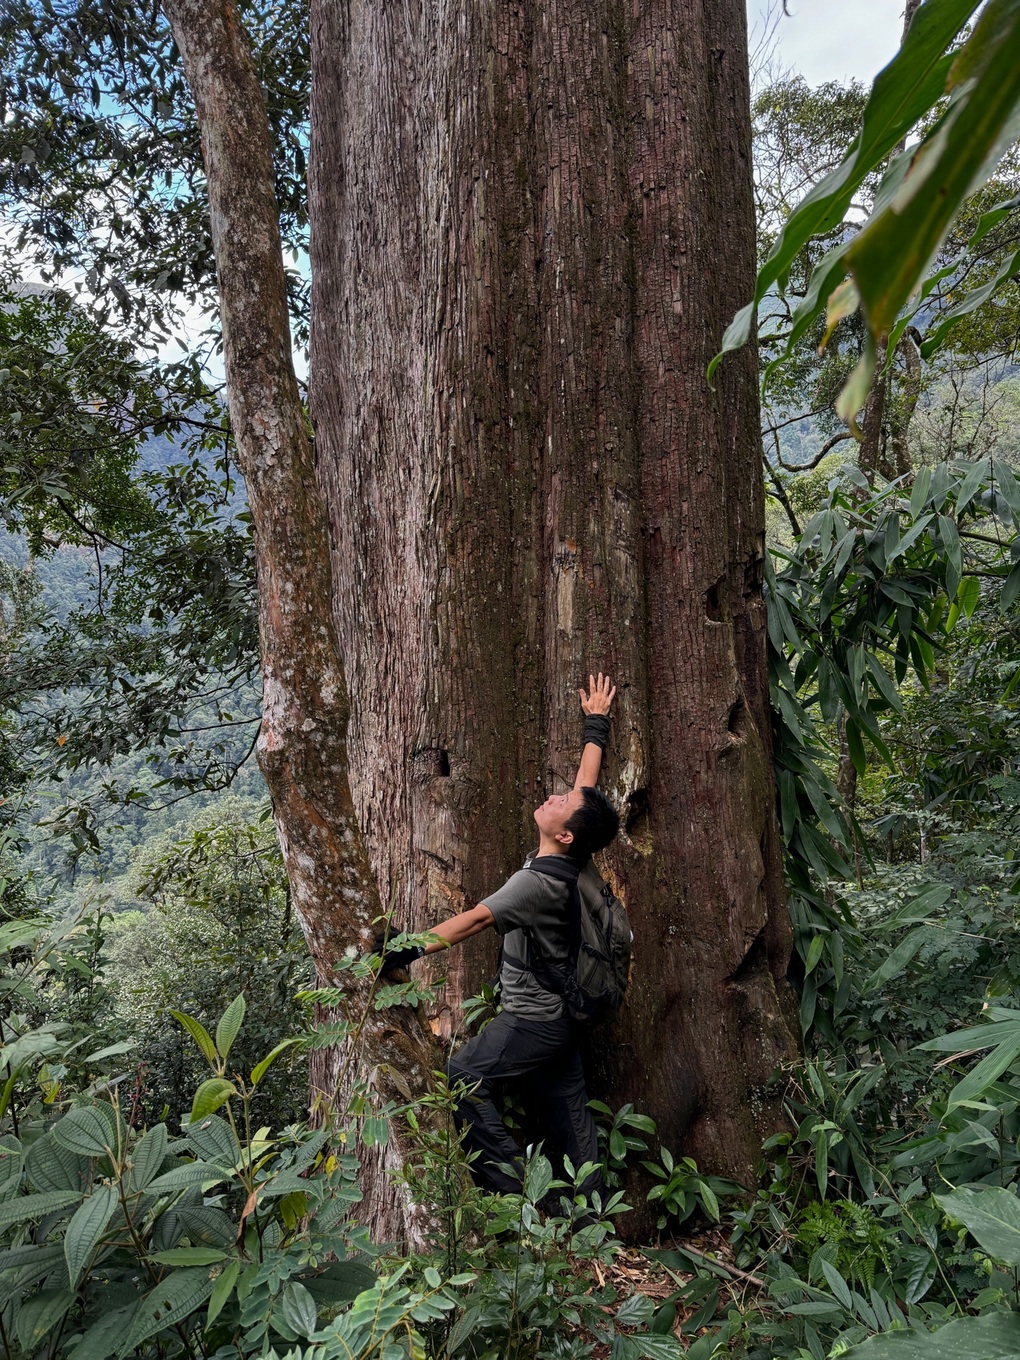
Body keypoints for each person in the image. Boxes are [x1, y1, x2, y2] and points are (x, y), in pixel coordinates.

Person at [376, 672, 620, 1198]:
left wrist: (402, 949)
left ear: (565, 833)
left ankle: (523, 1195)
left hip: (534, 1019)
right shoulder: (578, 860)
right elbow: (585, 787)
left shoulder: (537, 883)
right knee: (571, 1118)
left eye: (560, 805)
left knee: (463, 1077)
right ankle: (590, 1216)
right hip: (565, 1012)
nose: (556, 797)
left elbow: (477, 920)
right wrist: (595, 725)